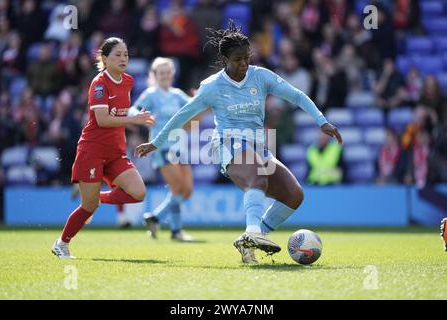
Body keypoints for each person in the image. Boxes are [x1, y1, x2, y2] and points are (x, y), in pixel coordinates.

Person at [134, 22, 343, 264]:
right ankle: (253, 230)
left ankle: (251, 239)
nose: (243, 64)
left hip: (257, 147)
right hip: (226, 144)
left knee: (294, 195)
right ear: (224, 59)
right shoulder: (212, 86)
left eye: (246, 58)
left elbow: (296, 95)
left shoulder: (261, 76)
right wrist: (157, 143)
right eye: (237, 59)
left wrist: (321, 121)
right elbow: (183, 114)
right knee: (257, 173)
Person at [51, 37, 156, 259]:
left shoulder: (127, 81)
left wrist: (136, 119)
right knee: (88, 207)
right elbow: (103, 120)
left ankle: (98, 196)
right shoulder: (99, 84)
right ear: (105, 59)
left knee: (138, 192)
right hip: (92, 151)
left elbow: (119, 113)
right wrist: (134, 120)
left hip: (115, 152)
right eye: (117, 54)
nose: (123, 58)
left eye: (126, 54)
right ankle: (62, 243)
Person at [130, 57, 195, 241]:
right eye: (161, 73)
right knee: (178, 188)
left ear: (172, 74)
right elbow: (132, 109)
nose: (165, 76)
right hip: (161, 146)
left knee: (187, 190)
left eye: (168, 72)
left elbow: (193, 105)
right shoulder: (151, 94)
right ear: (155, 75)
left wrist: (199, 97)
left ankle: (156, 217)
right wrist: (140, 116)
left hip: (179, 145)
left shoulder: (177, 94)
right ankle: (176, 231)